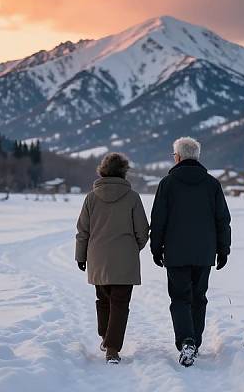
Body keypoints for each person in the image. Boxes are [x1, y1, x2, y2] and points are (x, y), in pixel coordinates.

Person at [150, 137, 231, 367]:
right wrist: (223, 250)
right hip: (205, 253)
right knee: (199, 298)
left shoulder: (167, 184)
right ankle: (194, 340)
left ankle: (187, 341)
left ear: (178, 157)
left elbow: (158, 220)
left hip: (176, 253)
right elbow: (222, 220)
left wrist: (156, 248)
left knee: (180, 298)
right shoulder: (212, 184)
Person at [75, 152, 149, 364]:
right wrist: (134, 248)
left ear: (103, 171)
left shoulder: (91, 198)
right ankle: (112, 347)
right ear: (124, 172)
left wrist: (81, 256)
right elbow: (143, 231)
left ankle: (105, 338)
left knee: (103, 300)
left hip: (97, 259)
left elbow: (83, 231)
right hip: (125, 259)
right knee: (120, 303)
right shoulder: (133, 197)